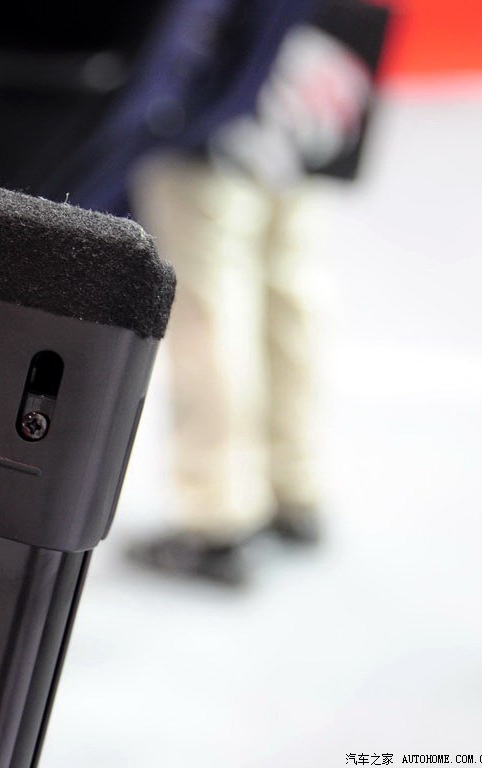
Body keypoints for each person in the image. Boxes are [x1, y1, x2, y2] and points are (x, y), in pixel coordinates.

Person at [128, 1, 388, 585]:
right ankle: (293, 485)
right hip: (311, 66)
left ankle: (217, 514)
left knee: (210, 304)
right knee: (289, 281)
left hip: (224, 80)